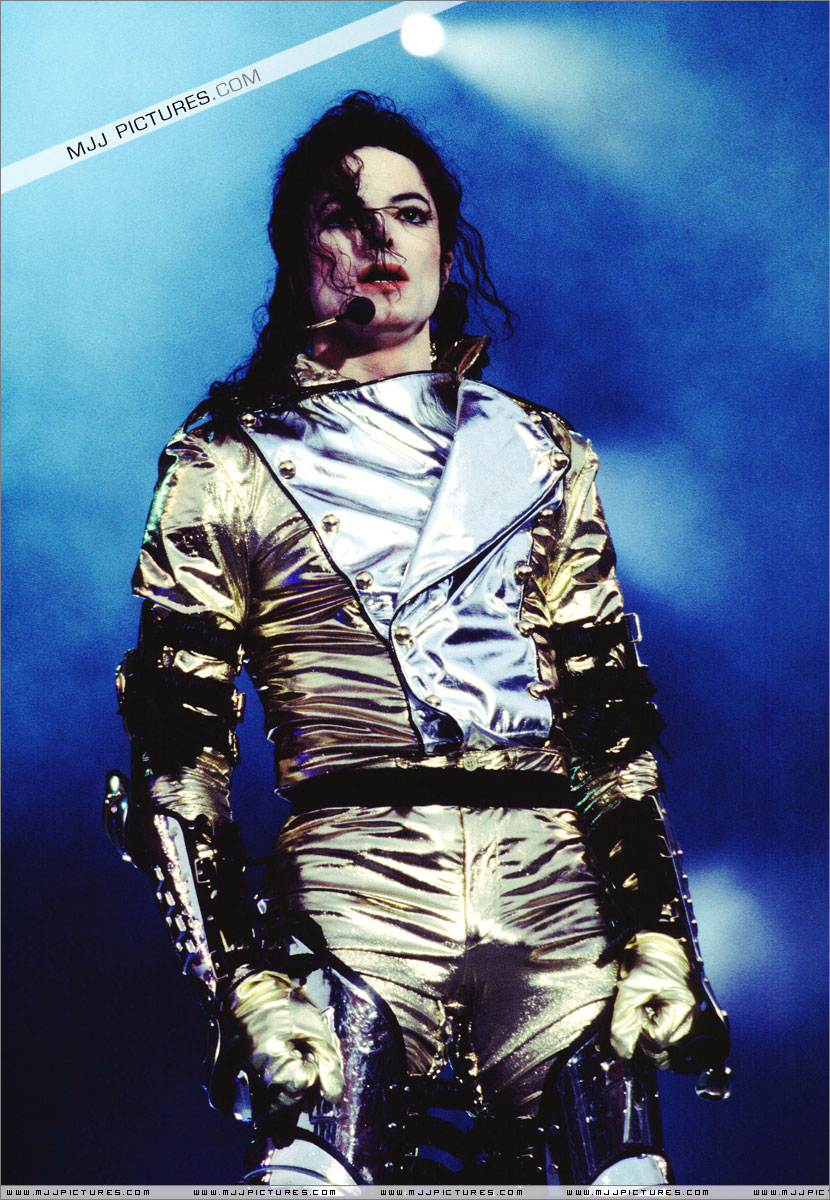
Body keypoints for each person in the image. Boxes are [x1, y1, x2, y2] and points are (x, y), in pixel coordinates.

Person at [107, 92, 730, 1185]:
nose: (380, 239)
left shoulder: (541, 453)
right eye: (343, 216)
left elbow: (609, 731)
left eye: (408, 213)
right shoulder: (222, 465)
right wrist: (242, 982)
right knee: (310, 1174)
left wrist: (661, 941)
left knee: (625, 1182)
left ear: (445, 243)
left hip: (551, 879)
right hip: (356, 878)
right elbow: (176, 752)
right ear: (294, 252)